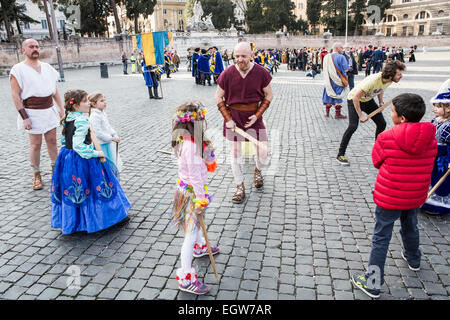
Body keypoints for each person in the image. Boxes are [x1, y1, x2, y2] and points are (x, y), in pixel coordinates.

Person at [351, 93, 437, 299]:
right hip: (415, 195)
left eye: (392, 112)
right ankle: (413, 258)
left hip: (390, 196)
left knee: (381, 236)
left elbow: (377, 162)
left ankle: (372, 282)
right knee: (410, 225)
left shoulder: (386, 137)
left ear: (402, 118)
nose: (391, 114)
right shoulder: (430, 137)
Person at [51, 90, 130, 235]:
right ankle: (104, 218)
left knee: (78, 188)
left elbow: (64, 141)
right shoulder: (82, 120)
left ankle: (77, 221)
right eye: (86, 101)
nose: (89, 104)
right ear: (76, 105)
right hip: (82, 159)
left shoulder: (68, 117)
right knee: (94, 186)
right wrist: (97, 152)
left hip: (67, 157)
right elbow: (78, 145)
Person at [171, 101, 220, 295]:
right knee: (189, 235)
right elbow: (195, 177)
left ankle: (200, 247)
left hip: (191, 191)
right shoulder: (191, 146)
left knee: (197, 226)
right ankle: (185, 277)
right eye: (202, 119)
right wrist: (200, 200)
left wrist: (207, 147)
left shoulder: (192, 141)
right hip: (191, 194)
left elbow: (209, 160)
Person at [215, 41, 273, 203]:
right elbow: (218, 97)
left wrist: (257, 115)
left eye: (243, 56)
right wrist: (228, 119)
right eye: (237, 56)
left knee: (263, 153)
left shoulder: (261, 73)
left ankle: (257, 170)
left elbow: (269, 95)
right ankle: (239, 186)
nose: (240, 59)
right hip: (233, 117)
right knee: (235, 154)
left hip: (254, 117)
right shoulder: (227, 73)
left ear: (251, 56)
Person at [9, 38, 64, 190]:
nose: (35, 49)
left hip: (49, 109)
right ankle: (36, 175)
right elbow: (15, 95)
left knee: (52, 141)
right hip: (31, 111)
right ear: (23, 50)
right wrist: (24, 117)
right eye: (31, 46)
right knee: (35, 144)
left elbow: (55, 90)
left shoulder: (47, 68)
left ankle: (55, 172)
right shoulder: (17, 70)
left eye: (37, 47)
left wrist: (61, 108)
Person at [336, 60, 406, 165]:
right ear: (391, 75)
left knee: (382, 123)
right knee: (353, 126)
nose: (401, 76)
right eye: (399, 74)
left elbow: (381, 89)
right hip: (354, 100)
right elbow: (356, 97)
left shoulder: (389, 80)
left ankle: (378, 151)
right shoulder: (373, 80)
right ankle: (340, 154)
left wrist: (381, 102)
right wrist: (361, 115)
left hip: (368, 101)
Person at [422, 79, 450, 215]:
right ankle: (425, 201)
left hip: (443, 159)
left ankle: (438, 205)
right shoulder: (436, 120)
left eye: (438, 107)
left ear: (448, 108)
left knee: (440, 180)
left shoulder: (448, 127)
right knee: (429, 178)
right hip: (432, 155)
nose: (434, 109)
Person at [88, 92, 123, 173]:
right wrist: (111, 138)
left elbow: (108, 127)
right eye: (102, 101)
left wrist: (114, 134)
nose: (105, 102)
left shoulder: (102, 113)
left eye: (105, 100)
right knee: (104, 166)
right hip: (101, 145)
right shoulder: (94, 116)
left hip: (107, 143)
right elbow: (98, 133)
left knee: (111, 164)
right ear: (93, 104)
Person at [322, 42, 349, 119]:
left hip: (329, 81)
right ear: (337, 48)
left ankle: (327, 113)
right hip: (338, 81)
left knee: (328, 95)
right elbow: (346, 69)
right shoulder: (341, 57)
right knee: (338, 96)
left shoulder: (326, 57)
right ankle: (337, 114)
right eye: (341, 48)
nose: (342, 49)